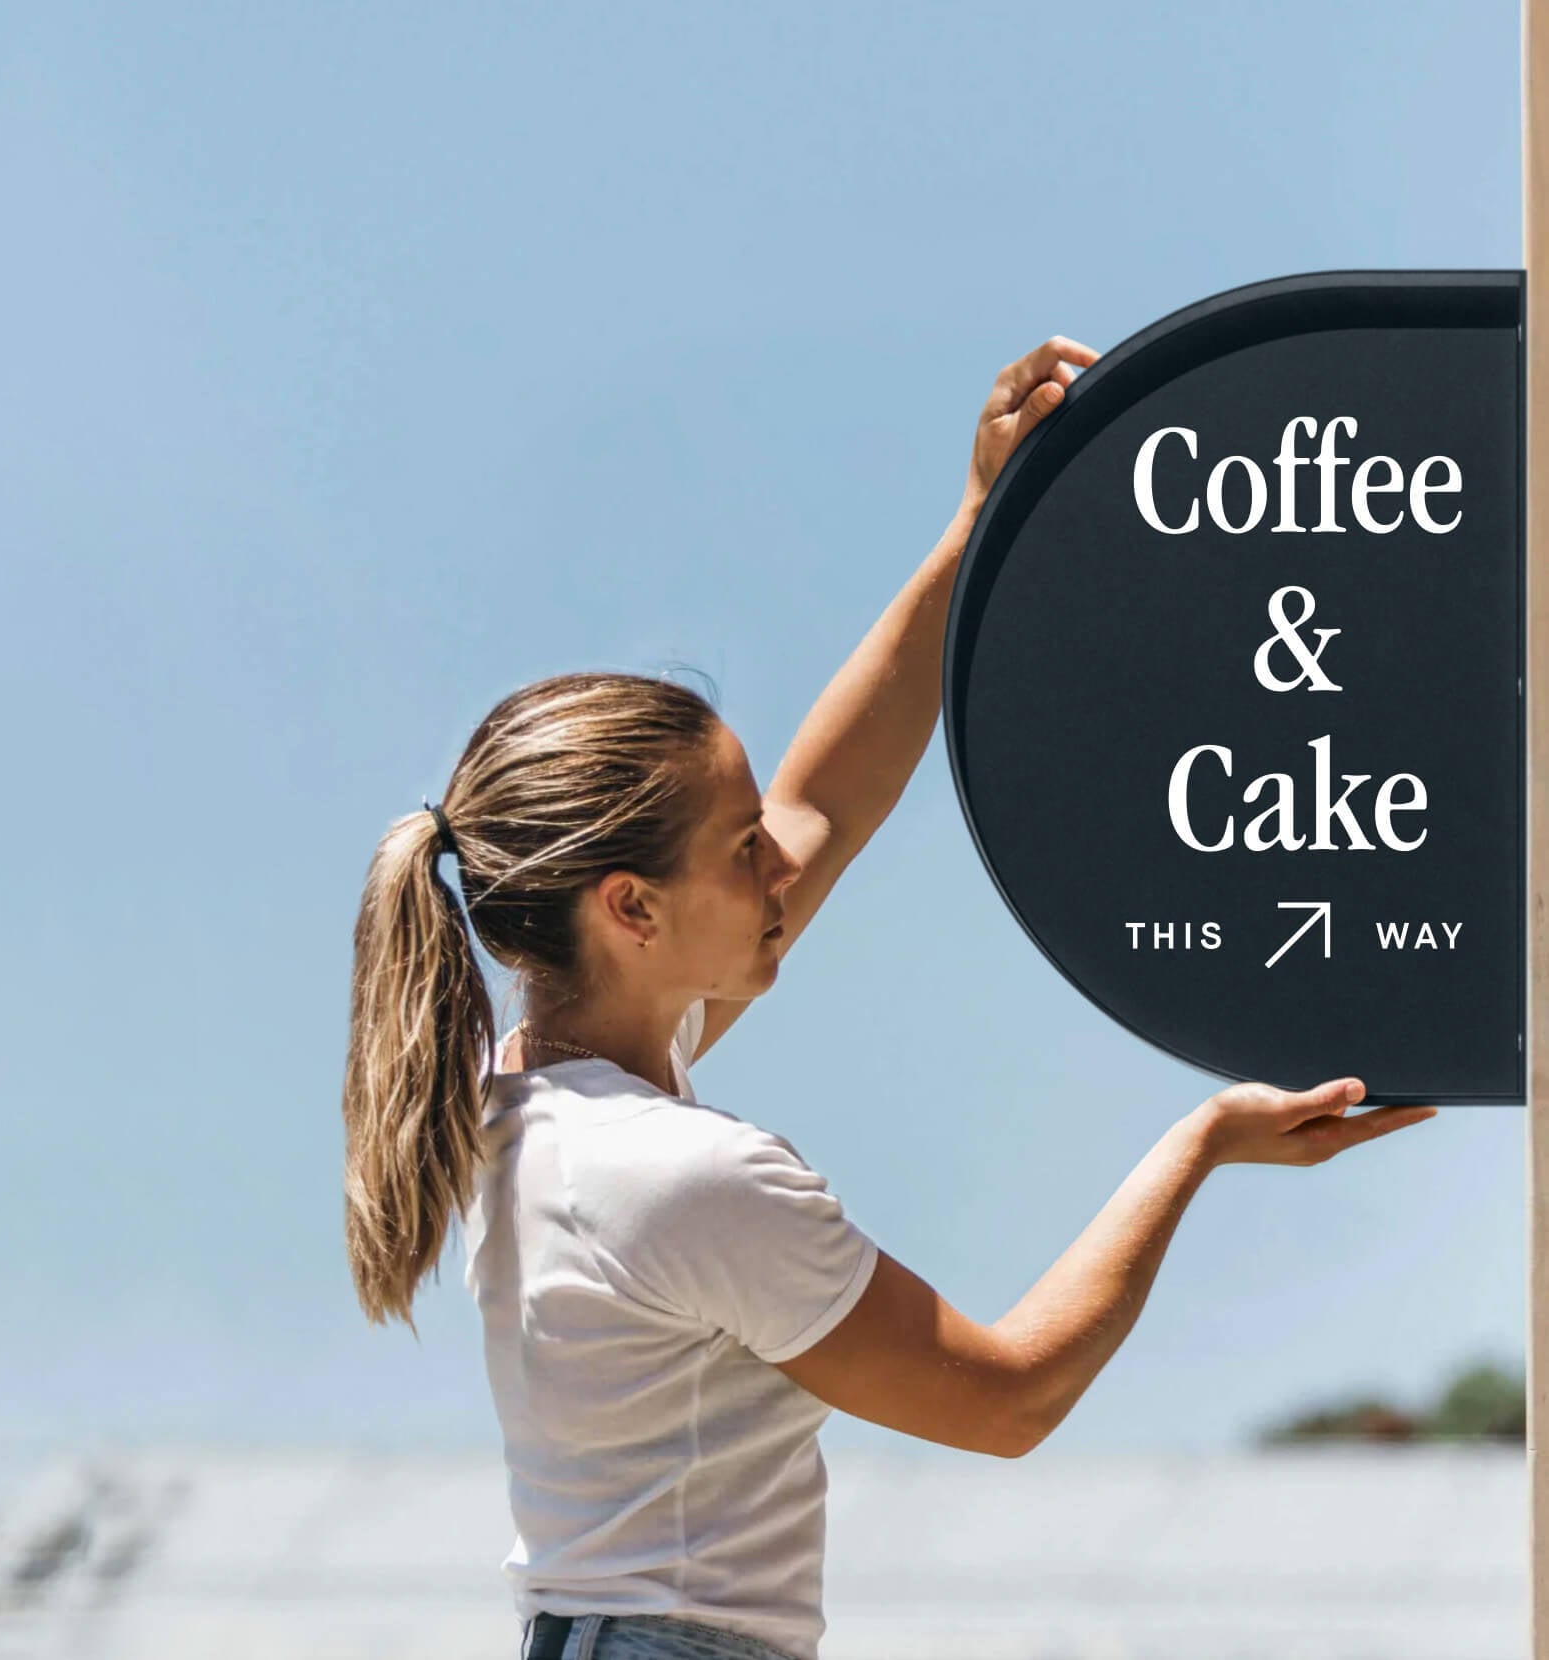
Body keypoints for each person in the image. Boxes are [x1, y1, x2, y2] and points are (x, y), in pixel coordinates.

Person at [339, 337, 1440, 1660]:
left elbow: (825, 802)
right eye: (739, 853)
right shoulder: (678, 1176)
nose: (779, 869)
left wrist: (975, 525)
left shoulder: (534, 1105)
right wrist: (1199, 1146)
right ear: (628, 911)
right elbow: (1011, 1399)